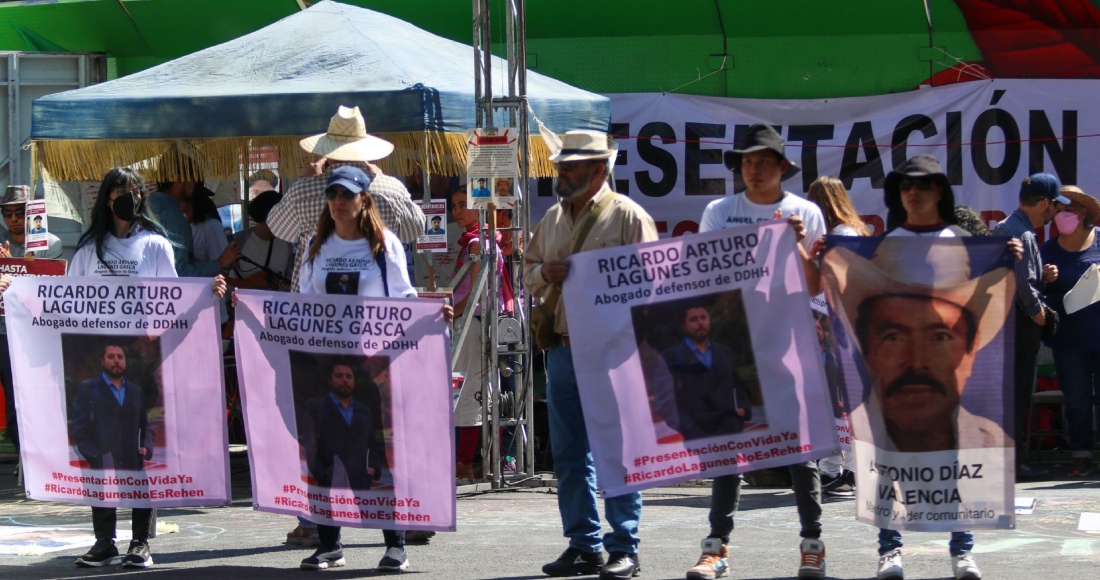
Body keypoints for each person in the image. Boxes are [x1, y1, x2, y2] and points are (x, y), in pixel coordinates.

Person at [827, 154, 1019, 580]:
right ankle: (890, 551)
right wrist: (828, 258)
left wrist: (1007, 261)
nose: (913, 192)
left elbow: (973, 302)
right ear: (899, 195)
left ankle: (962, 551)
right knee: (887, 455)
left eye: (924, 185)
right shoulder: (886, 245)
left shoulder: (959, 242)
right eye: (906, 186)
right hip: (893, 378)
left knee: (955, 454)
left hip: (944, 370)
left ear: (939, 193)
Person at [271, 164, 450, 572]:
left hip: (371, 368)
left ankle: (396, 544)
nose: (337, 202)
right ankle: (329, 543)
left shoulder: (383, 245)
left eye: (346, 196)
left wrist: (433, 314)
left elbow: (403, 300)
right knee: (322, 453)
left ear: (363, 199)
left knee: (380, 453)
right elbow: (301, 302)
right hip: (324, 367)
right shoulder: (317, 244)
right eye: (333, 195)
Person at [67, 167, 227, 569]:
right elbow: (65, 302)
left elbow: (172, 302)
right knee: (99, 454)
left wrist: (206, 295)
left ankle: (140, 541)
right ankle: (104, 540)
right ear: (106, 198)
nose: (128, 197)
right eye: (120, 191)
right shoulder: (89, 250)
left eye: (134, 191)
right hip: (99, 362)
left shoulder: (155, 245)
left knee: (137, 452)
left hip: (139, 362)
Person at [689, 123, 828, 580]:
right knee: (730, 443)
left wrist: (794, 246)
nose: (754, 169)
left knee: (798, 444)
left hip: (789, 341)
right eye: (747, 161)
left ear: (783, 167)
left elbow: (816, 287)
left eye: (763, 161)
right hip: (733, 342)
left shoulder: (805, 212)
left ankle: (813, 544)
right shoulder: (719, 209)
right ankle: (715, 548)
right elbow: (706, 278)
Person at [524, 130, 656, 580]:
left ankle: (625, 546)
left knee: (617, 452)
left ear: (599, 169)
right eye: (561, 165)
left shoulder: (628, 217)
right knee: (569, 453)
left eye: (571, 166)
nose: (560, 172)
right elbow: (526, 270)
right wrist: (545, 271)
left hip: (613, 352)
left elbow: (653, 285)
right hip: (562, 351)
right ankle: (584, 543)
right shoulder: (552, 219)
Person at [267, 105, 425, 293]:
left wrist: (303, 181)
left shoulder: (303, 191)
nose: (338, 201)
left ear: (328, 151)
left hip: (315, 311)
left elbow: (278, 228)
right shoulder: (392, 189)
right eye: (333, 195)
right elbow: (415, 230)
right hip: (375, 310)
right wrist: (383, 180)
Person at [992, 173, 1066, 480]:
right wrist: (1038, 312)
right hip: (1018, 325)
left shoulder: (1006, 226)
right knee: (1016, 394)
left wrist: (1043, 276)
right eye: (1055, 206)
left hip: (1003, 323)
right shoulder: (1022, 234)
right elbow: (1021, 282)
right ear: (1045, 203)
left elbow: (1023, 275)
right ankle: (1014, 464)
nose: (1057, 213)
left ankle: (1008, 461)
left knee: (1008, 395)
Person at [806, 175, 865, 495]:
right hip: (824, 323)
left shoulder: (844, 234)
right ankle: (831, 469)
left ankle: (853, 471)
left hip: (840, 325)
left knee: (844, 399)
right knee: (827, 399)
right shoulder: (833, 233)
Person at [1040, 186, 1100, 477]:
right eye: (1058, 209)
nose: (1063, 215)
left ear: (1084, 212)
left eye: (1069, 209)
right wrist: (1045, 280)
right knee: (1076, 400)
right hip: (1068, 340)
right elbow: (1033, 293)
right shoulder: (1047, 250)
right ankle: (1081, 455)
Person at [450, 187, 508, 480]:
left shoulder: (477, 243)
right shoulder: (479, 242)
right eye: (454, 206)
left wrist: (450, 312)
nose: (456, 211)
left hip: (471, 323)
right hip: (476, 322)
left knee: (465, 393)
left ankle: (465, 462)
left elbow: (474, 294)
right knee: (480, 392)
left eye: (463, 205)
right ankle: (483, 460)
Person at [0, 185, 63, 448]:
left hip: (37, 331)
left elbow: (52, 290)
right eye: (7, 213)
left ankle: (37, 450)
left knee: (35, 394)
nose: (14, 219)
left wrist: (14, 275)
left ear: (32, 213)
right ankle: (20, 451)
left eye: (19, 212)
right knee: (12, 396)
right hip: (4, 331)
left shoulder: (50, 243)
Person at [653, 305, 752, 441]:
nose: (700, 323)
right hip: (697, 436)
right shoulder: (669, 357)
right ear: (684, 325)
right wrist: (689, 427)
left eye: (703, 318)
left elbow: (738, 386)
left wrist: (744, 409)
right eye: (693, 319)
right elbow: (665, 403)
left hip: (731, 431)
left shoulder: (724, 351)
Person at [298, 361, 384, 491]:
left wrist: (373, 468)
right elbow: (309, 444)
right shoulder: (316, 407)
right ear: (330, 380)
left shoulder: (364, 411)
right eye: (339, 376)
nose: (345, 380)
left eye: (348, 376)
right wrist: (322, 475)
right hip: (327, 486)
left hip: (359, 485)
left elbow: (372, 445)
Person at [70, 344, 155, 470]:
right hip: (101, 470)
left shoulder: (136, 391)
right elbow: (78, 429)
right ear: (102, 361)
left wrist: (146, 445)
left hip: (132, 468)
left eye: (120, 357)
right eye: (111, 357)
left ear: (125, 361)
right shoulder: (88, 388)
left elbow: (145, 425)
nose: (116, 360)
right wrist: (94, 454)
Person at [149, 170, 241, 277]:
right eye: (193, 180)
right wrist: (220, 263)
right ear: (180, 179)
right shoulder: (172, 215)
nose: (193, 186)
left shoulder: (147, 206)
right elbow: (178, 272)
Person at [230, 190, 294, 291]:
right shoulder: (237, 240)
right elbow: (222, 277)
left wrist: (287, 288)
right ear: (261, 215)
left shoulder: (288, 244)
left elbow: (289, 278)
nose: (276, 228)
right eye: (272, 221)